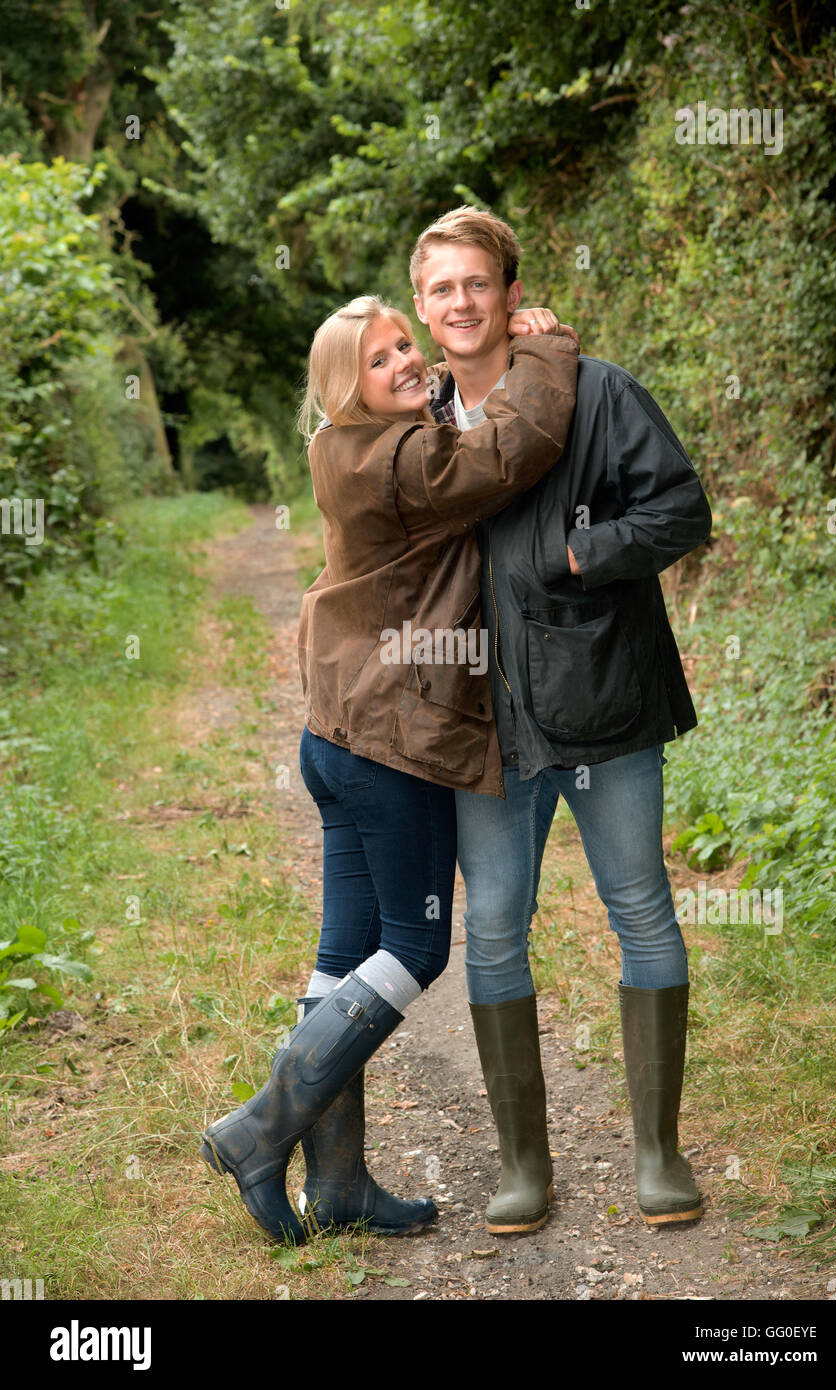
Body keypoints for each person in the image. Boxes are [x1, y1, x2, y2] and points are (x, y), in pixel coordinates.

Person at [200, 293, 580, 1244]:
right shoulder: (404, 457)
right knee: (415, 951)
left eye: (405, 344)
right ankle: (260, 1129)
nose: (408, 362)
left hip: (337, 735)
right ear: (347, 392)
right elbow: (510, 451)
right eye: (383, 360)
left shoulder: (343, 448)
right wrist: (549, 348)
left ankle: (339, 1188)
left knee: (342, 958)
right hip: (389, 742)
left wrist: (447, 375)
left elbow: (451, 427)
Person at [409, 205, 713, 1234]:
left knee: (641, 910)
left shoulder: (597, 392)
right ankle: (523, 1168)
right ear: (423, 306)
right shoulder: (417, 422)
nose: (461, 301)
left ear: (508, 292)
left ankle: (660, 1157)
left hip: (605, 702)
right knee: (494, 928)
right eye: (442, 287)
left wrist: (584, 554)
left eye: (477, 282)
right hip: (483, 726)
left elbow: (679, 508)